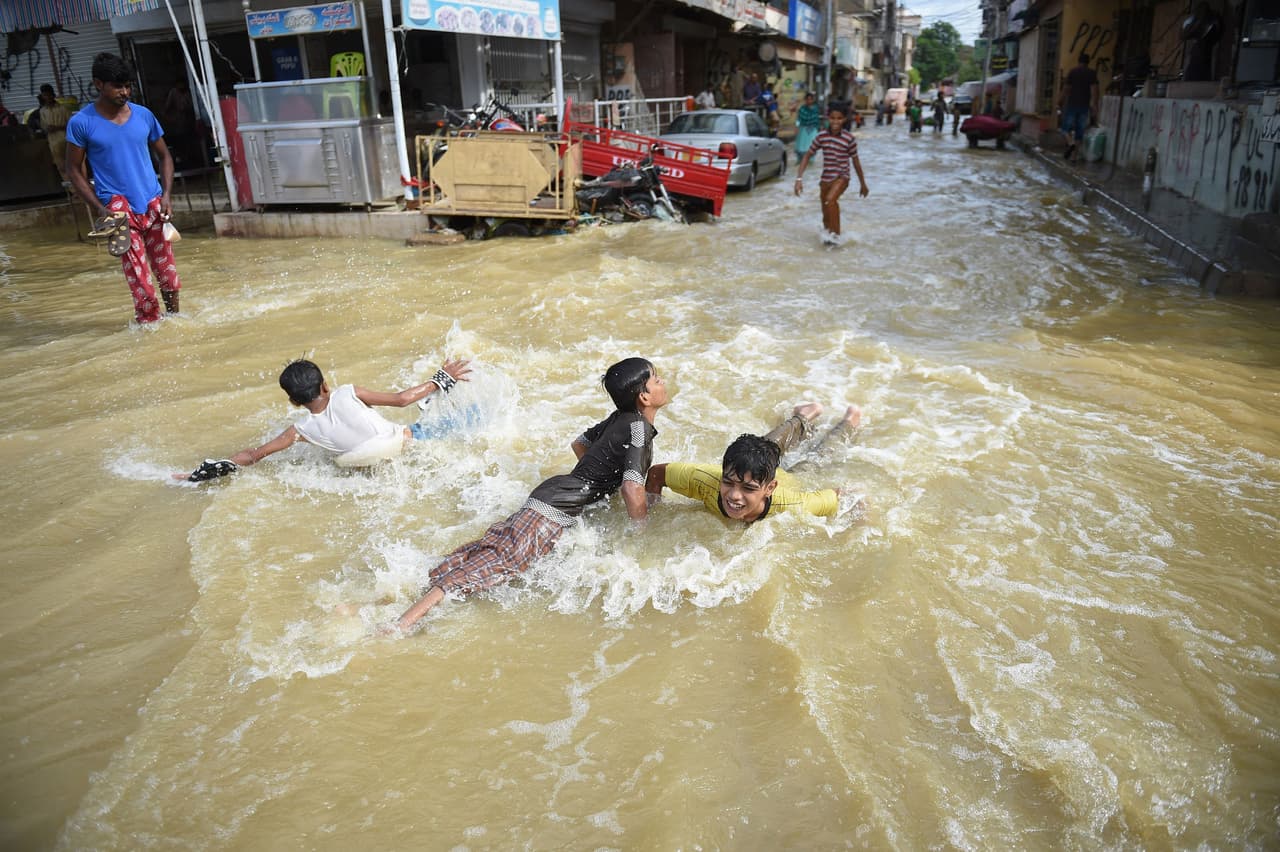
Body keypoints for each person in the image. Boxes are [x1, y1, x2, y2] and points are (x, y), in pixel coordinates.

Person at [392, 358, 667, 633]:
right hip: (552, 509)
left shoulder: (621, 418)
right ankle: (399, 626)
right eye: (656, 380)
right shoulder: (639, 429)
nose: (662, 382)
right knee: (498, 562)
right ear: (644, 396)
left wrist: (593, 482)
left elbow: (580, 443)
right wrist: (641, 535)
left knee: (486, 553)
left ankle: (389, 598)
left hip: (551, 495)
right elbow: (631, 487)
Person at [172, 357, 473, 481]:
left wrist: (211, 469)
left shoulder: (300, 430)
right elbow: (402, 399)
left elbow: (254, 455)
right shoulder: (347, 393)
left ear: (293, 400)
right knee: (474, 419)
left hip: (370, 468)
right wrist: (441, 379)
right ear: (325, 385)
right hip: (411, 442)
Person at [66, 52, 182, 324]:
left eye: (128, 86)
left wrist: (166, 195)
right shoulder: (81, 123)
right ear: (98, 84)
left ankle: (176, 323)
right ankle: (149, 329)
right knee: (141, 283)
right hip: (118, 209)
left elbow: (165, 156)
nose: (125, 92)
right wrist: (99, 207)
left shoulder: (144, 115)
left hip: (153, 203)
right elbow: (73, 168)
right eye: (118, 86)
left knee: (169, 275)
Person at [645, 403, 861, 523]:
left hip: (790, 478)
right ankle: (805, 414)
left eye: (747, 489)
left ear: (769, 489)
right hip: (754, 467)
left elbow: (847, 496)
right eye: (728, 482)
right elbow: (656, 474)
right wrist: (653, 514)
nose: (734, 495)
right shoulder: (705, 480)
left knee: (820, 455)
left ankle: (850, 419)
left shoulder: (790, 505)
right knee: (764, 445)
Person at [793, 105, 870, 243]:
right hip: (825, 179)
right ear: (828, 118)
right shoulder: (821, 136)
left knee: (831, 200)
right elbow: (807, 155)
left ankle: (836, 238)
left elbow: (856, 162)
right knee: (826, 212)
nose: (835, 121)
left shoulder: (849, 138)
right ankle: (828, 237)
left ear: (844, 119)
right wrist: (799, 179)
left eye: (839, 118)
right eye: (833, 118)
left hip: (842, 177)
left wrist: (863, 184)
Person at [1059, 52, 1099, 162]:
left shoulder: (1073, 72)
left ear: (1079, 61)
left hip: (1072, 105)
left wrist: (1060, 101)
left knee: (1065, 129)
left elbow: (1066, 88)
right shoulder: (1092, 73)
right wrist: (1094, 106)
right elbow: (1094, 91)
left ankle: (1070, 143)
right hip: (1084, 107)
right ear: (1088, 62)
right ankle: (1074, 157)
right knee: (1079, 131)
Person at [34, 85, 73, 180]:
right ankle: (73, 191)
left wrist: (57, 127)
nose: (47, 98)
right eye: (45, 95)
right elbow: (43, 126)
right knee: (61, 167)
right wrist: (47, 129)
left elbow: (72, 125)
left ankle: (80, 190)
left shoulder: (63, 108)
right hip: (53, 143)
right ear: (42, 97)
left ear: (53, 95)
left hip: (67, 141)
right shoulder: (43, 111)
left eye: (49, 95)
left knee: (72, 166)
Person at [793, 92, 821, 158]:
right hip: (802, 130)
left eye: (810, 99)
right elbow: (798, 119)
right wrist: (796, 127)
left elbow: (816, 120)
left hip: (812, 130)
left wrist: (818, 129)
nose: (809, 101)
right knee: (800, 147)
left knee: (811, 147)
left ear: (813, 100)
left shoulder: (816, 109)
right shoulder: (802, 109)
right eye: (807, 99)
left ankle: (810, 161)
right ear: (805, 100)